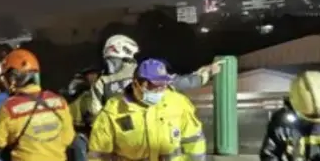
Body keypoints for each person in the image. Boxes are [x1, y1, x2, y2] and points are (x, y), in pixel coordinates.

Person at [85, 34, 220, 120]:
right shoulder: (144, 72)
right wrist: (205, 73)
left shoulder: (102, 82)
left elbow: (95, 114)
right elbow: (182, 82)